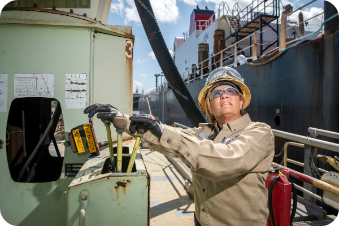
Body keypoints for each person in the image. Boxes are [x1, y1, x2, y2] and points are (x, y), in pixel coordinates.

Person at [84, 67, 275, 226]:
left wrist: (160, 129)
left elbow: (226, 160)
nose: (224, 95)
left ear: (241, 101)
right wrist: (122, 119)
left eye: (231, 91)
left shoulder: (259, 133)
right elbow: (168, 139)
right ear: (209, 106)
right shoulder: (204, 133)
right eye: (216, 93)